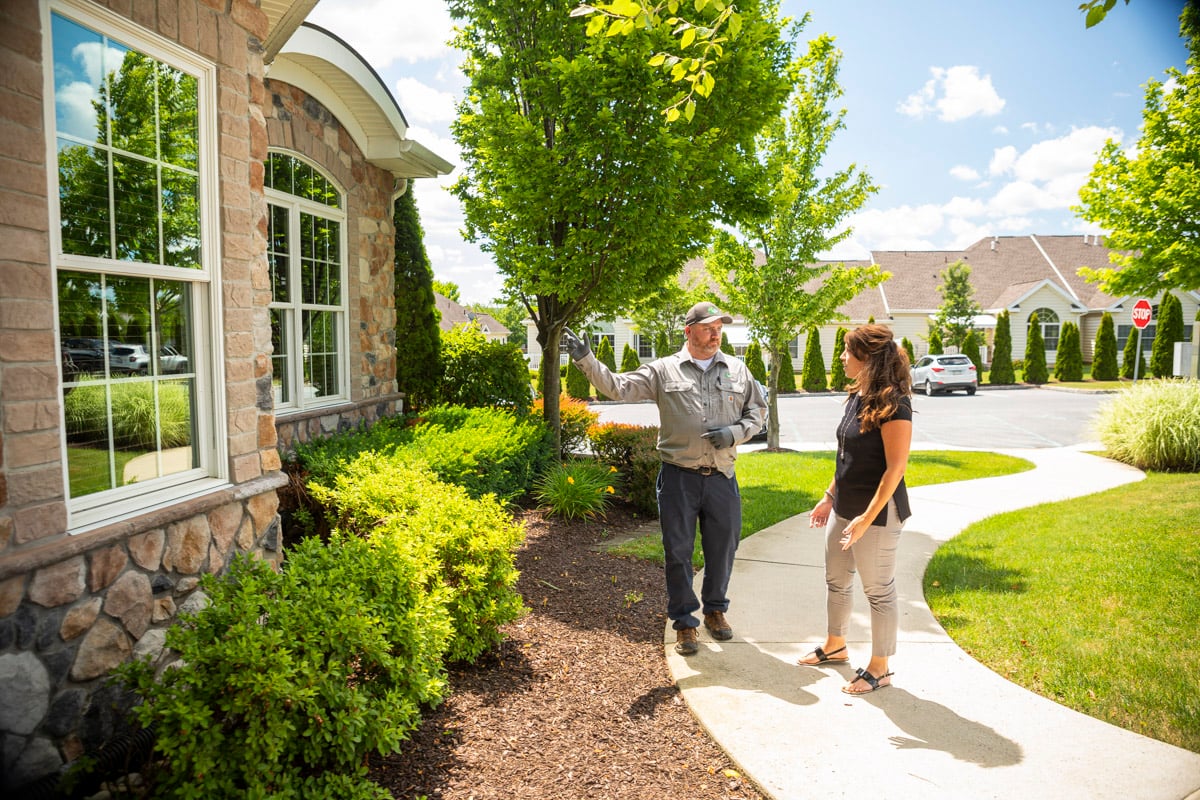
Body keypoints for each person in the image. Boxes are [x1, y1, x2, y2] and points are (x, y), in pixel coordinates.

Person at [562, 302, 766, 656]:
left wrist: (734, 433)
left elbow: (758, 413)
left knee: (723, 549)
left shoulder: (737, 370)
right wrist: (586, 360)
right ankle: (685, 623)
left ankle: (716, 611)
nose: (716, 333)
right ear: (688, 331)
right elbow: (619, 388)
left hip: (722, 477)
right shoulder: (663, 370)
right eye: (708, 327)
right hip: (678, 479)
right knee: (678, 552)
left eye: (720, 327)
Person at [798, 324, 913, 694]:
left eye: (848, 352)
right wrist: (829, 496)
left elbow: (896, 468)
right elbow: (845, 456)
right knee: (836, 579)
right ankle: (836, 645)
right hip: (845, 506)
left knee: (878, 591)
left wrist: (866, 517)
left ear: (867, 358)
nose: (843, 357)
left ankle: (880, 668)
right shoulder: (857, 396)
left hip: (877, 514)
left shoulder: (895, 403)